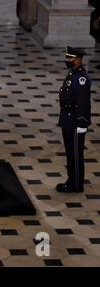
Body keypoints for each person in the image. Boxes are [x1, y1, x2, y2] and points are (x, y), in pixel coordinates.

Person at [56, 46, 91, 193]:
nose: (67, 60)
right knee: (70, 153)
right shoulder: (73, 73)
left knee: (76, 154)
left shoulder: (81, 78)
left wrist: (82, 122)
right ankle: (72, 180)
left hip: (76, 121)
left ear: (79, 60)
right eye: (67, 57)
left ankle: (76, 185)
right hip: (67, 119)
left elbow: (83, 103)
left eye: (70, 58)